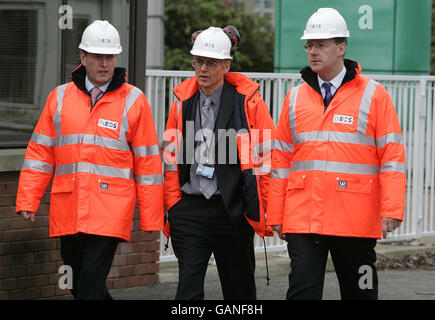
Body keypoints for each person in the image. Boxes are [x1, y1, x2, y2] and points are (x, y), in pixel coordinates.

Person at [15, 20, 164, 300]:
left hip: (111, 209)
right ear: (83, 57)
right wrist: (27, 199)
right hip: (68, 205)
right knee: (75, 283)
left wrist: (151, 216)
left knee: (90, 283)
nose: (104, 64)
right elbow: (40, 154)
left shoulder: (134, 101)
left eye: (110, 57)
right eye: (97, 57)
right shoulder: (59, 98)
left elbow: (148, 163)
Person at [267, 8, 406, 300]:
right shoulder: (294, 98)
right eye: (309, 45)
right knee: (301, 293)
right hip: (304, 218)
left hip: (355, 218)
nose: (312, 51)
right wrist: (275, 213)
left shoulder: (374, 94)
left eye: (320, 44)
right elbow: (280, 161)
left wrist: (392, 209)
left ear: (341, 47)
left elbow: (391, 154)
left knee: (362, 293)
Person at [161, 26, 275, 300]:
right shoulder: (181, 101)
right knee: (187, 293)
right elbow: (169, 159)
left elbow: (267, 161)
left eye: (210, 63)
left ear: (226, 65)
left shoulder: (247, 103)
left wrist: (267, 212)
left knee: (240, 294)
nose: (202, 69)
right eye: (198, 61)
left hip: (232, 211)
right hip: (190, 209)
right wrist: (172, 208)